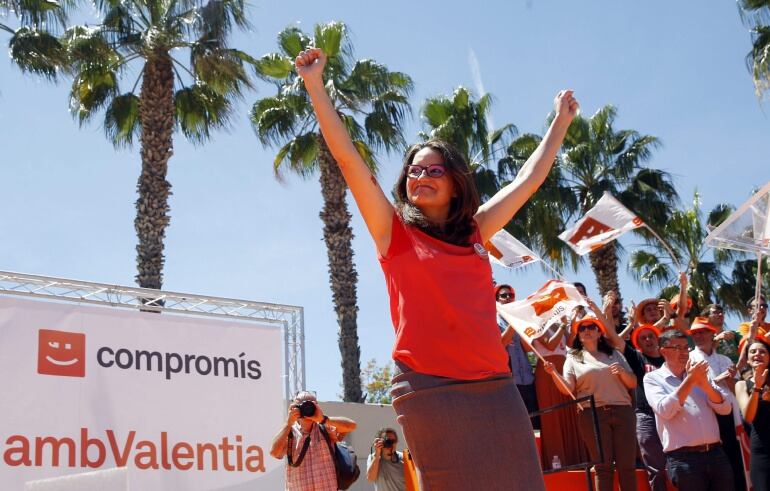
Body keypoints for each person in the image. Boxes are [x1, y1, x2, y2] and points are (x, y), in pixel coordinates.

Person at [294, 47, 579, 490]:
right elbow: (350, 162)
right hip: (429, 390)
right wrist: (315, 86)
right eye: (413, 170)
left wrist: (559, 122)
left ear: (456, 182)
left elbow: (528, 180)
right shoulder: (393, 232)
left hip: (495, 388)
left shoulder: (475, 231)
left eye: (434, 169)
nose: (420, 175)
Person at [545, 317, 637, 491]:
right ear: (578, 335)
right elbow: (568, 389)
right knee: (603, 467)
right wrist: (553, 373)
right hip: (592, 415)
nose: (586, 330)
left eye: (591, 327)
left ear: (600, 332)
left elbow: (632, 383)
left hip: (623, 410)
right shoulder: (572, 357)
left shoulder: (615, 353)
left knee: (627, 466)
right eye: (582, 328)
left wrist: (623, 373)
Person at [643, 330, 734, 491]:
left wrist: (704, 384)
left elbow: (726, 409)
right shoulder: (652, 378)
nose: (684, 352)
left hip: (716, 454)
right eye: (677, 347)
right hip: (683, 459)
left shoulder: (699, 374)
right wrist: (691, 380)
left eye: (686, 347)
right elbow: (665, 410)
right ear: (663, 350)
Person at [688, 317, 745, 491]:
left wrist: (729, 380)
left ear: (712, 334)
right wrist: (719, 379)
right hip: (706, 416)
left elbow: (736, 390)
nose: (698, 336)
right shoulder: (689, 358)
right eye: (695, 333)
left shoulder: (725, 359)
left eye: (702, 332)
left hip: (728, 416)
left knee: (734, 460)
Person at [270, 391, 357, 491]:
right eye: (301, 403)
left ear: (317, 406)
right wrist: (288, 424)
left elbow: (352, 426)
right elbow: (274, 452)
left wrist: (323, 419)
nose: (306, 408)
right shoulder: (289, 433)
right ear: (294, 407)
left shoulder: (326, 428)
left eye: (311, 403)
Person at [624, 323, 668, 491]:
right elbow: (614, 340)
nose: (648, 340)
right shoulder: (637, 358)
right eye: (643, 338)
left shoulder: (668, 358)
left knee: (679, 462)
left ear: (659, 339)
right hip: (646, 416)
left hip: (672, 414)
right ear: (638, 344)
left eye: (651, 336)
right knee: (655, 468)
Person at [497, 283, 539, 426]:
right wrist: (513, 321)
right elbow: (501, 343)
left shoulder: (520, 319)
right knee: (515, 423)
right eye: (503, 295)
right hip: (509, 382)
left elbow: (528, 349)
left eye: (511, 295)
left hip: (527, 379)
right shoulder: (493, 320)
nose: (508, 297)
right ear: (497, 300)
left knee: (534, 422)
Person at [736, 339, 770, 491]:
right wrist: (756, 388)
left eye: (762, 351)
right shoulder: (742, 385)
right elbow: (748, 417)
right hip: (761, 450)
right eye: (753, 351)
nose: (757, 354)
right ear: (748, 360)